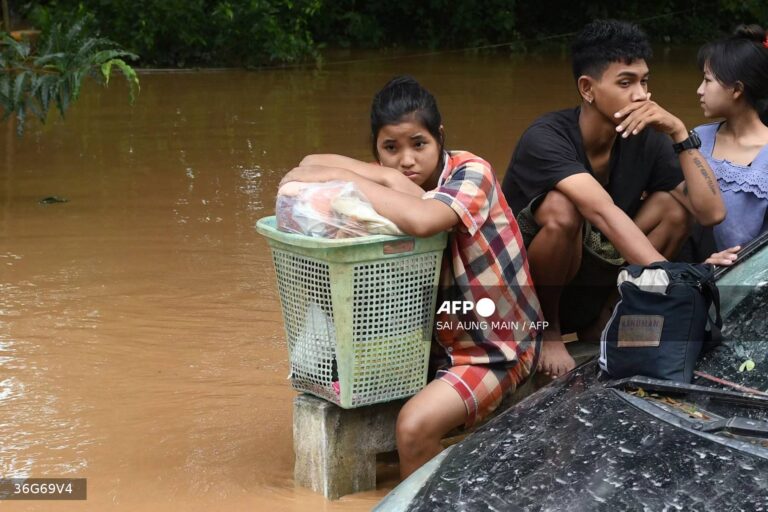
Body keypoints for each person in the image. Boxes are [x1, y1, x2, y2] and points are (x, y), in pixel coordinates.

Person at [280, 76, 543, 478]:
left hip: (497, 347)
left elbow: (423, 218)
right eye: (391, 148)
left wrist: (366, 181)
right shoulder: (388, 180)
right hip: (433, 344)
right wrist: (381, 178)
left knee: (413, 428)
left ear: (439, 138)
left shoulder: (473, 174)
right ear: (376, 150)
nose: (407, 160)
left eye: (418, 144)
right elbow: (305, 166)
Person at [501, 19, 730, 379]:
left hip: (598, 284)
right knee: (562, 208)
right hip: (533, 294)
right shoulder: (545, 137)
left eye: (644, 81)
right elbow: (602, 211)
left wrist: (678, 132)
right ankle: (549, 333)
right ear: (587, 89)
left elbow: (711, 212)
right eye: (626, 83)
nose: (641, 94)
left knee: (674, 208)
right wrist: (673, 282)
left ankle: (608, 318)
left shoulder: (645, 136)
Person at [691, 25, 768, 255]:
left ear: (737, 89)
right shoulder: (698, 138)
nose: (699, 90)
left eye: (707, 80)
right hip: (696, 269)